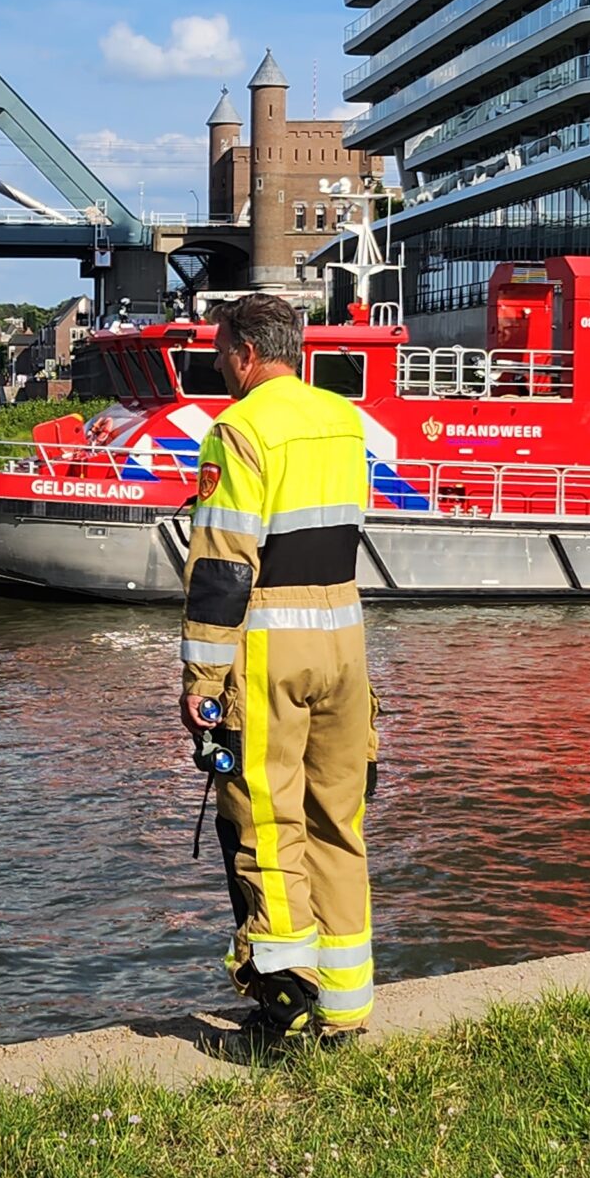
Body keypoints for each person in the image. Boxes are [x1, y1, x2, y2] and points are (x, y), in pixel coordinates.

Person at [179, 295, 378, 1045]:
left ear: (246, 353)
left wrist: (202, 681)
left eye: (220, 349)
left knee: (267, 823)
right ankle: (346, 1005)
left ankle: (286, 1004)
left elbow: (224, 566)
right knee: (338, 820)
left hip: (270, 645)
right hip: (345, 640)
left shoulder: (238, 430)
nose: (218, 361)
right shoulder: (344, 419)